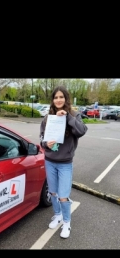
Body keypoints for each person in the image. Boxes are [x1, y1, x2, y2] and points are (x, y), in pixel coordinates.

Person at [40, 85, 88, 239]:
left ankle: (66, 222)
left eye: (61, 97)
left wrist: (67, 117)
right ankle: (58, 215)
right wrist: (45, 143)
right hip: (50, 161)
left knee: (63, 196)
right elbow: (41, 138)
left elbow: (81, 131)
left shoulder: (74, 115)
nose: (58, 100)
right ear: (53, 100)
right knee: (53, 193)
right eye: (56, 97)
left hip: (65, 163)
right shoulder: (48, 118)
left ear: (66, 99)